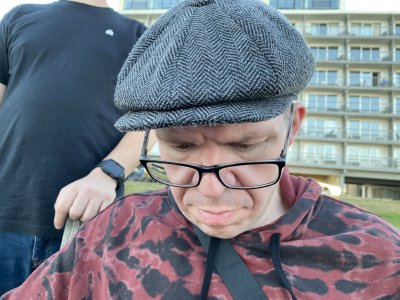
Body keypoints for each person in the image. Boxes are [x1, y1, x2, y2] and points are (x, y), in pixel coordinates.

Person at [3, 0, 400, 299]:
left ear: (292, 125)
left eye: (245, 146)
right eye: (179, 146)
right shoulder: (115, 229)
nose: (210, 190)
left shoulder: (380, 260)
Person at [0, 0, 149, 295]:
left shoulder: (137, 35)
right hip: (6, 215)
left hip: (88, 224)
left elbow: (150, 123)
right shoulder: (19, 17)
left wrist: (108, 173)